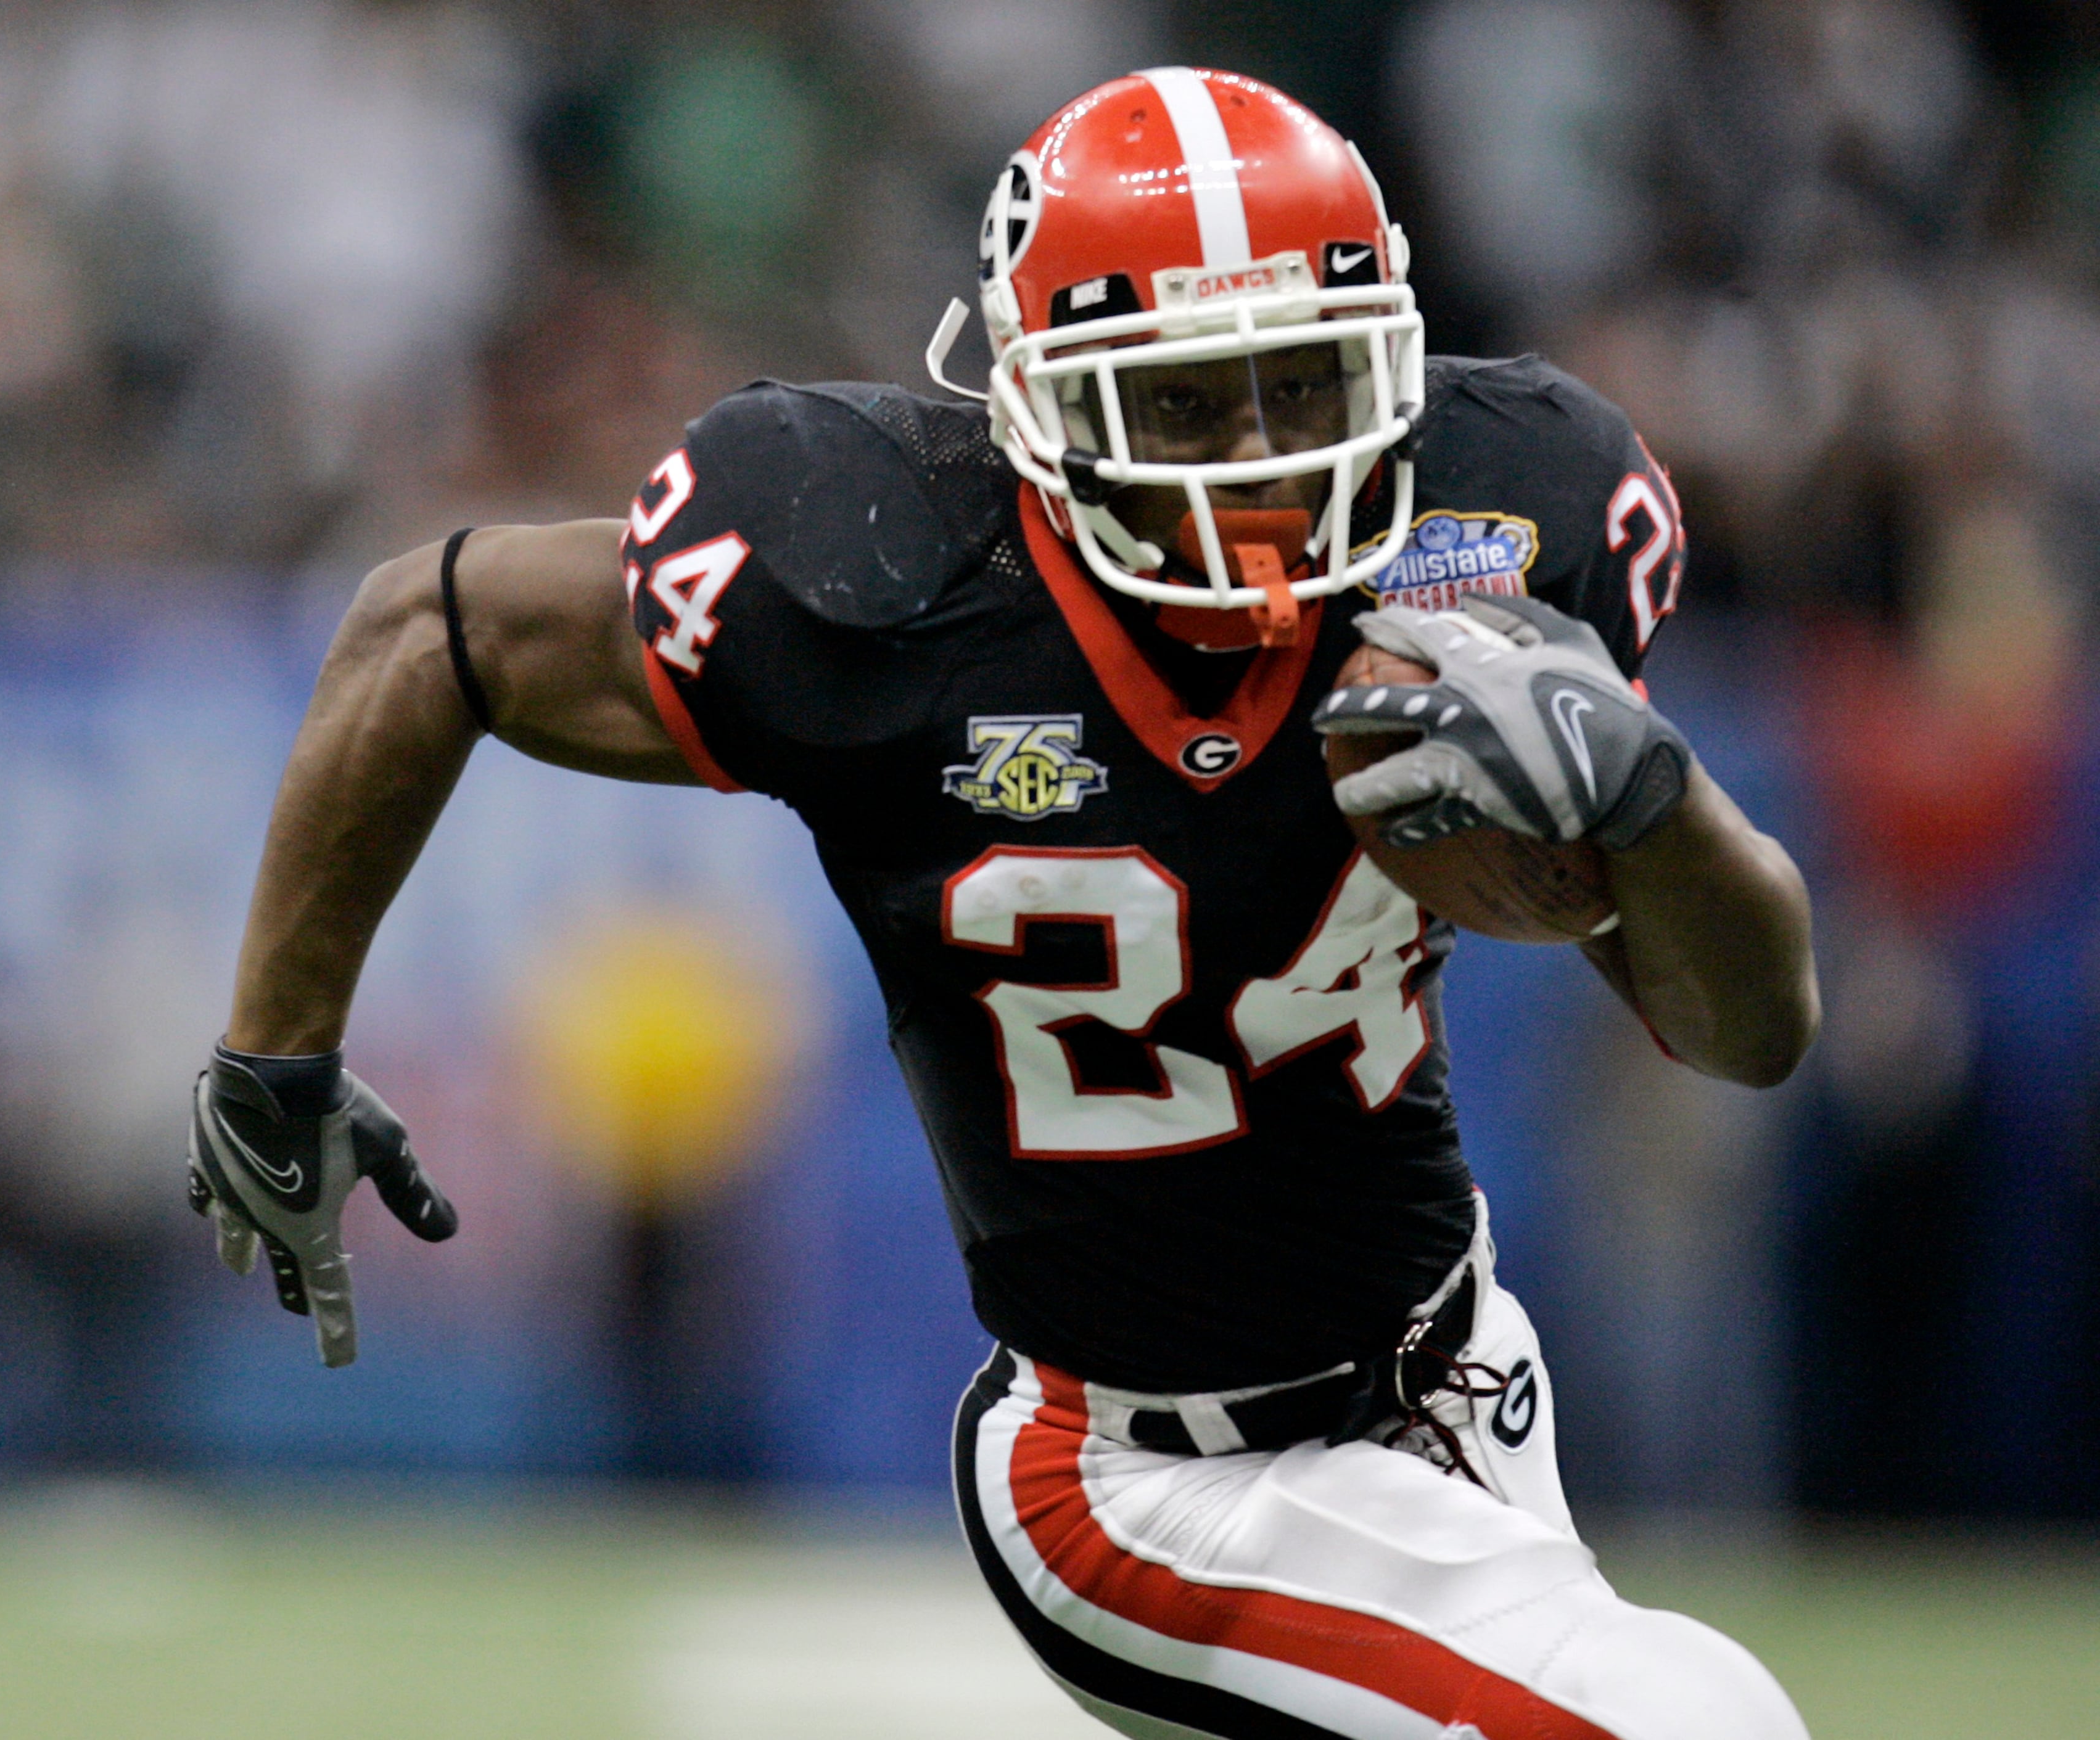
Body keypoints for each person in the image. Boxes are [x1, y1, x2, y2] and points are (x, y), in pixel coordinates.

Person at [187, 68, 1819, 1740]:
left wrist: (1652, 795)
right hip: (1134, 1481)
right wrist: (274, 1052)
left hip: (1460, 1360)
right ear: (1040, 408)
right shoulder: (878, 578)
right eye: (1185, 408)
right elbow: (427, 630)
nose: (1258, 465)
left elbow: (1753, 1033)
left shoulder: (1500, 524)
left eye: (1304, 386)